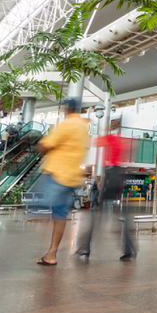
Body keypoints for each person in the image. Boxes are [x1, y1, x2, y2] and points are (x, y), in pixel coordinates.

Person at [34, 99, 89, 266]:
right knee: (60, 215)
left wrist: (39, 145)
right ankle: (51, 254)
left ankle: (50, 251)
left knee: (35, 206)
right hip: (72, 178)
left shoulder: (68, 124)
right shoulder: (83, 127)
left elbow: (45, 145)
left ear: (68, 108)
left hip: (57, 174)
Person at [76, 133, 136, 261]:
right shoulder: (121, 139)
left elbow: (95, 142)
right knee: (117, 215)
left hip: (113, 175)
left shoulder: (112, 137)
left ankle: (85, 246)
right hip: (118, 175)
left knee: (98, 215)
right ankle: (129, 249)